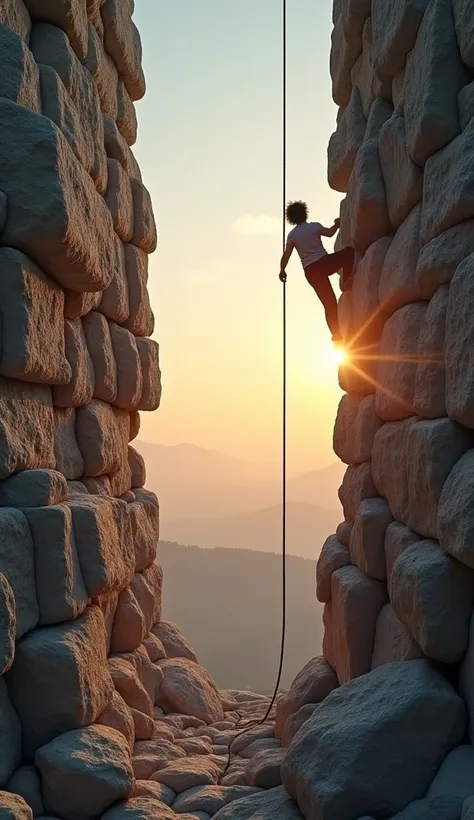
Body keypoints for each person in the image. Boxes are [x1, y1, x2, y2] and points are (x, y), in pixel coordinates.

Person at [279, 200, 355, 343]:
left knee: (329, 304)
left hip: (311, 271)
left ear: (291, 218)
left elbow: (286, 254)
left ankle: (337, 336)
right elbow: (330, 233)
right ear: (305, 213)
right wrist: (337, 224)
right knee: (349, 253)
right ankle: (346, 281)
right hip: (324, 263)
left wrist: (282, 270)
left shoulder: (292, 235)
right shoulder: (314, 227)